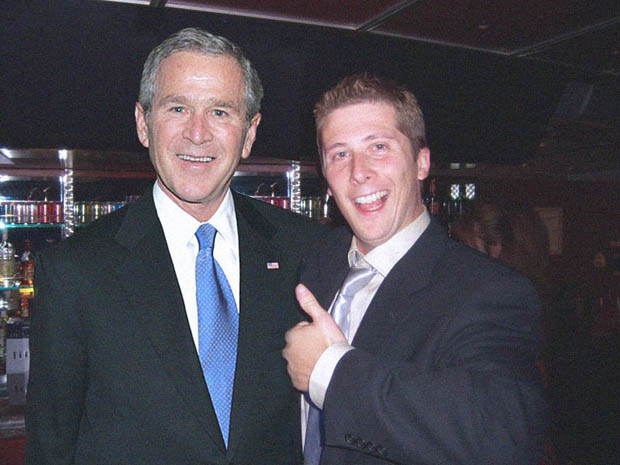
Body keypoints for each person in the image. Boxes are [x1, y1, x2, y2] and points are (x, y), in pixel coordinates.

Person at [26, 28, 323, 464]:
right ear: (143, 123)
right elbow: (52, 448)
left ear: (249, 133)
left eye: (220, 111)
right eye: (178, 108)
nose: (197, 133)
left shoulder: (307, 250)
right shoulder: (74, 271)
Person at [282, 74, 548, 464]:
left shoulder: (488, 289)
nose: (358, 171)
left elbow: (501, 435)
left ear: (421, 162)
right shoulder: (319, 258)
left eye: (378, 147)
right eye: (339, 154)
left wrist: (329, 371)